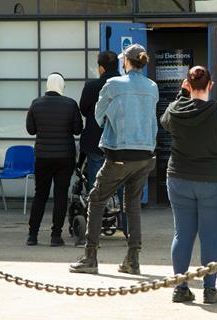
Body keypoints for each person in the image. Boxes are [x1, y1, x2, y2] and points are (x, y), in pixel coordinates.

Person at [69, 44, 158, 275]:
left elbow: (98, 116)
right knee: (132, 205)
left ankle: (90, 257)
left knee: (96, 199)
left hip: (120, 152)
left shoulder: (113, 85)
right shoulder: (152, 87)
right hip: (145, 154)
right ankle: (133, 259)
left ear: (126, 62)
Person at [161, 66, 217, 304]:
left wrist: (181, 95)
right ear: (211, 85)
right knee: (210, 237)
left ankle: (180, 287)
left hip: (178, 179)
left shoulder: (175, 109)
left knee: (182, 234)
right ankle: (209, 289)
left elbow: (164, 121)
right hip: (212, 181)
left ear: (187, 84)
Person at [26, 72, 83, 246]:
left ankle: (32, 236)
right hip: (65, 157)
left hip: (42, 157)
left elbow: (31, 130)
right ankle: (56, 236)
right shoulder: (70, 104)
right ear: (62, 86)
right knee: (60, 196)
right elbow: (77, 130)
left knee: (40, 195)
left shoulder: (36, 104)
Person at [79, 50, 126, 235]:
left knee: (95, 185)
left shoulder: (91, 86)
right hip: (121, 142)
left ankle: (94, 228)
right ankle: (126, 227)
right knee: (123, 186)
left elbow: (83, 110)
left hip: (96, 142)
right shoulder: (125, 86)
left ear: (100, 68)